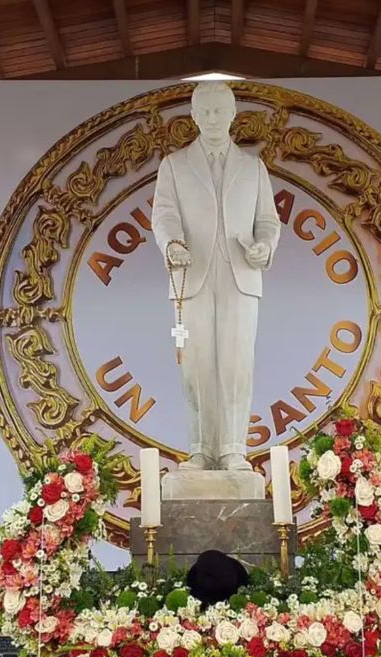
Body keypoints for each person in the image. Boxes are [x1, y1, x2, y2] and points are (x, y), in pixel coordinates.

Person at [152, 81, 281, 472]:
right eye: (204, 112)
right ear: (192, 116)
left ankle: (233, 448)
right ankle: (200, 449)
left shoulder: (253, 167)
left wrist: (264, 246)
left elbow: (268, 220)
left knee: (237, 364)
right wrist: (172, 243)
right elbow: (164, 214)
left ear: (232, 115)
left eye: (219, 111)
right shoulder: (174, 165)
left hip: (240, 276)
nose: (212, 119)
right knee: (196, 367)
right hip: (192, 275)